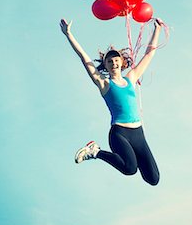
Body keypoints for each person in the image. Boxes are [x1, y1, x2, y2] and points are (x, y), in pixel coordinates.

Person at [60, 17, 163, 186]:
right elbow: (84, 59)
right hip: (119, 133)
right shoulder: (104, 84)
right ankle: (95, 151)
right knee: (129, 168)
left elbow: (149, 53)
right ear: (106, 66)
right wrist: (68, 35)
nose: (113, 62)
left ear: (121, 62)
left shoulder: (131, 77)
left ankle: (102, 153)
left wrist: (157, 30)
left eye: (116, 59)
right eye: (109, 61)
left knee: (153, 179)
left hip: (138, 134)